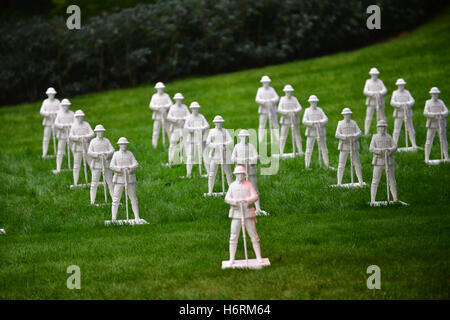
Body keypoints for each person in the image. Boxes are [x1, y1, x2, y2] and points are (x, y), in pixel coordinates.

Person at [224, 165, 263, 265]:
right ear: (235, 175)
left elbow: (255, 196)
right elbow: (227, 198)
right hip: (236, 214)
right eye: (238, 174)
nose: (240, 176)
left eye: (242, 174)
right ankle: (231, 259)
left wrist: (247, 200)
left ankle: (258, 257)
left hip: (248, 213)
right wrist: (235, 201)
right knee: (233, 237)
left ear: (244, 175)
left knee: (254, 236)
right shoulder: (232, 186)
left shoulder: (249, 185)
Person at [231, 129, 267, 215]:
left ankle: (258, 208)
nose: (245, 138)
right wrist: (242, 160)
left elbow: (257, 156)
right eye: (243, 137)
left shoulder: (251, 146)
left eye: (246, 137)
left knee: (254, 189)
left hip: (250, 170)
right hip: (241, 171)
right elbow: (232, 158)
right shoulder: (237, 147)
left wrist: (250, 160)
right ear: (240, 137)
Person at [110, 137, 140, 221]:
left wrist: (129, 168)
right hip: (119, 179)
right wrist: (120, 169)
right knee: (116, 199)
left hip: (129, 179)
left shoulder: (130, 154)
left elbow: (136, 164)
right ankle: (114, 218)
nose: (124, 146)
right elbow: (111, 166)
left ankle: (137, 216)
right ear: (119, 145)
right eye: (122, 145)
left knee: (133, 198)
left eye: (125, 144)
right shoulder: (115, 154)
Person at [369, 120, 398, 203]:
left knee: (392, 180)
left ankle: (395, 198)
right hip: (378, 161)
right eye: (381, 127)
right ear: (378, 128)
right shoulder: (374, 137)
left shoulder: (389, 137)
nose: (382, 128)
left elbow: (395, 147)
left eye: (384, 127)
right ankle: (373, 199)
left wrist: (389, 150)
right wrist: (380, 151)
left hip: (388, 161)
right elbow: (371, 148)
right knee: (375, 180)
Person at [335, 108, 364, 185]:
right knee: (341, 164)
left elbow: (360, 132)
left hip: (353, 146)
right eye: (346, 115)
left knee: (357, 164)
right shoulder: (340, 123)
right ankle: (339, 182)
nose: (347, 116)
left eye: (349, 114)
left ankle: (360, 181)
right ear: (343, 115)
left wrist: (354, 136)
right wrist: (345, 137)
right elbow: (337, 134)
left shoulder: (354, 123)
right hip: (344, 146)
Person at [87, 124, 115, 204]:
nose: (100, 133)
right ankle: (92, 201)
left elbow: (112, 150)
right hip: (97, 165)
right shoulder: (93, 141)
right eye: (99, 132)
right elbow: (89, 152)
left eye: (101, 132)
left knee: (110, 182)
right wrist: (97, 155)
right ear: (96, 132)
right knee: (94, 183)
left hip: (106, 164)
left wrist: (106, 154)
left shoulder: (106, 140)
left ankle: (114, 200)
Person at [206, 115, 233, 195]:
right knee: (212, 174)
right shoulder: (211, 132)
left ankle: (232, 191)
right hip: (215, 155)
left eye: (220, 123)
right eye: (217, 123)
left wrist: (224, 145)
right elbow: (208, 142)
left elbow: (230, 141)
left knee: (228, 173)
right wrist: (216, 145)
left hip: (224, 155)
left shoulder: (225, 131)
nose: (219, 124)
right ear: (215, 123)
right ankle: (210, 191)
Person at [302, 95, 329, 168]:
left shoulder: (320, 110)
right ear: (310, 102)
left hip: (320, 132)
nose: (314, 103)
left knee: (324, 149)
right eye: (312, 102)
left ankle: (327, 165)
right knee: (308, 150)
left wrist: (320, 122)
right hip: (311, 132)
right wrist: (312, 123)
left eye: (315, 102)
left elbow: (326, 119)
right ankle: (307, 166)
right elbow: (304, 121)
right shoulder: (307, 110)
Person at [184, 102, 210, 177]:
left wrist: (202, 128)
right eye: (194, 109)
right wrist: (193, 129)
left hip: (201, 138)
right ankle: (188, 173)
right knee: (190, 156)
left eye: (196, 108)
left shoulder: (201, 116)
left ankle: (209, 173)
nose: (195, 110)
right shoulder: (189, 118)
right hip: (192, 138)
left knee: (205, 156)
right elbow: (186, 127)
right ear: (191, 109)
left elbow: (207, 125)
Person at [69, 110, 94, 186]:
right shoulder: (73, 125)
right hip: (78, 148)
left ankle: (94, 180)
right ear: (76, 117)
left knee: (91, 164)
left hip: (86, 147)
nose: (80, 118)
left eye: (81, 117)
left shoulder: (86, 124)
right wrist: (78, 138)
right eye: (78, 117)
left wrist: (86, 137)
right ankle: (75, 182)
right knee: (76, 165)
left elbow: (92, 133)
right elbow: (71, 136)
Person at [424, 87, 449, 162]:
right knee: (429, 141)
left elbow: (447, 111)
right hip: (432, 124)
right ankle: (427, 158)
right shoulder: (428, 102)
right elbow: (425, 112)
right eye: (434, 94)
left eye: (436, 94)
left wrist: (441, 114)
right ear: (431, 94)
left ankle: (446, 157)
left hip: (440, 124)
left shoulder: (441, 102)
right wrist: (433, 115)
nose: (435, 95)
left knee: (444, 140)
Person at [390, 78, 417, 147]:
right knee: (396, 130)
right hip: (399, 114)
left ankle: (414, 144)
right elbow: (392, 102)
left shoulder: (407, 92)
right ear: (398, 85)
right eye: (400, 85)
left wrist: (407, 104)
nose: (401, 86)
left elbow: (412, 101)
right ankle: (394, 145)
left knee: (411, 129)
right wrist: (399, 104)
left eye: (402, 85)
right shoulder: (395, 93)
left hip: (407, 113)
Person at [277, 84, 303, 155]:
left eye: (290, 92)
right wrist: (286, 112)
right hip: (285, 121)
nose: (289, 93)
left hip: (294, 120)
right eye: (287, 92)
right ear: (285, 92)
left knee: (297, 136)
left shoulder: (294, 99)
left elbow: (300, 108)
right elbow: (279, 109)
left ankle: (300, 151)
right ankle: (281, 152)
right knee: (283, 136)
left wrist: (294, 111)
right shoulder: (282, 99)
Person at [166, 93, 190, 165]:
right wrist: (175, 119)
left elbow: (189, 116)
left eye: (180, 100)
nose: (179, 101)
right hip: (175, 128)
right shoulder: (172, 107)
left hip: (183, 128)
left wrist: (183, 119)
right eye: (177, 100)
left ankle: (188, 160)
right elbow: (169, 117)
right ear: (175, 100)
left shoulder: (184, 107)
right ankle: (171, 160)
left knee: (186, 143)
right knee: (173, 143)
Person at [255, 75, 279, 145]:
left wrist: (272, 101)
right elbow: (257, 99)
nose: (266, 84)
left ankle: (277, 139)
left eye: (267, 82)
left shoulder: (272, 89)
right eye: (264, 82)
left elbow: (277, 97)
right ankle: (261, 140)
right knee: (262, 125)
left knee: (275, 124)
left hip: (272, 109)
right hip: (263, 110)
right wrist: (264, 102)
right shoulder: (260, 90)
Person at [363, 67, 387, 135]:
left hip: (379, 101)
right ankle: (366, 132)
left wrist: (379, 93)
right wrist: (372, 94)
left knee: (382, 117)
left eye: (375, 74)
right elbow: (365, 91)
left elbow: (385, 90)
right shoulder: (368, 81)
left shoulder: (380, 81)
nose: (374, 76)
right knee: (368, 117)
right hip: (371, 102)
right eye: (373, 74)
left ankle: (384, 131)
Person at [149, 82, 172, 149]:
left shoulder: (166, 96)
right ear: (157, 89)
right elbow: (151, 105)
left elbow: (170, 104)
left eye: (161, 88)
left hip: (165, 116)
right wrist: (158, 108)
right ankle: (154, 146)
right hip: (157, 117)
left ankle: (171, 144)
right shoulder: (154, 96)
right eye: (159, 89)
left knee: (169, 130)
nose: (160, 90)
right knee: (156, 131)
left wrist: (165, 107)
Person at [54, 98, 74, 173]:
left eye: (67, 106)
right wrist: (62, 126)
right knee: (60, 151)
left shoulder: (72, 113)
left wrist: (70, 126)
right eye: (64, 106)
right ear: (62, 106)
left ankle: (74, 166)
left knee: (73, 150)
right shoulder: (59, 114)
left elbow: (75, 123)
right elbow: (56, 123)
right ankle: (58, 167)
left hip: (71, 135)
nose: (66, 107)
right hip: (62, 135)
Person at [39, 87, 60, 157]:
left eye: (52, 94)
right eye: (50, 94)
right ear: (47, 94)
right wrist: (47, 114)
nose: (51, 95)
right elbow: (41, 111)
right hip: (48, 122)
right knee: (46, 138)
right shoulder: (45, 102)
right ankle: (44, 153)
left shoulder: (57, 102)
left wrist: (56, 113)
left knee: (58, 136)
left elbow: (61, 110)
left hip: (56, 122)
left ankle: (60, 151)